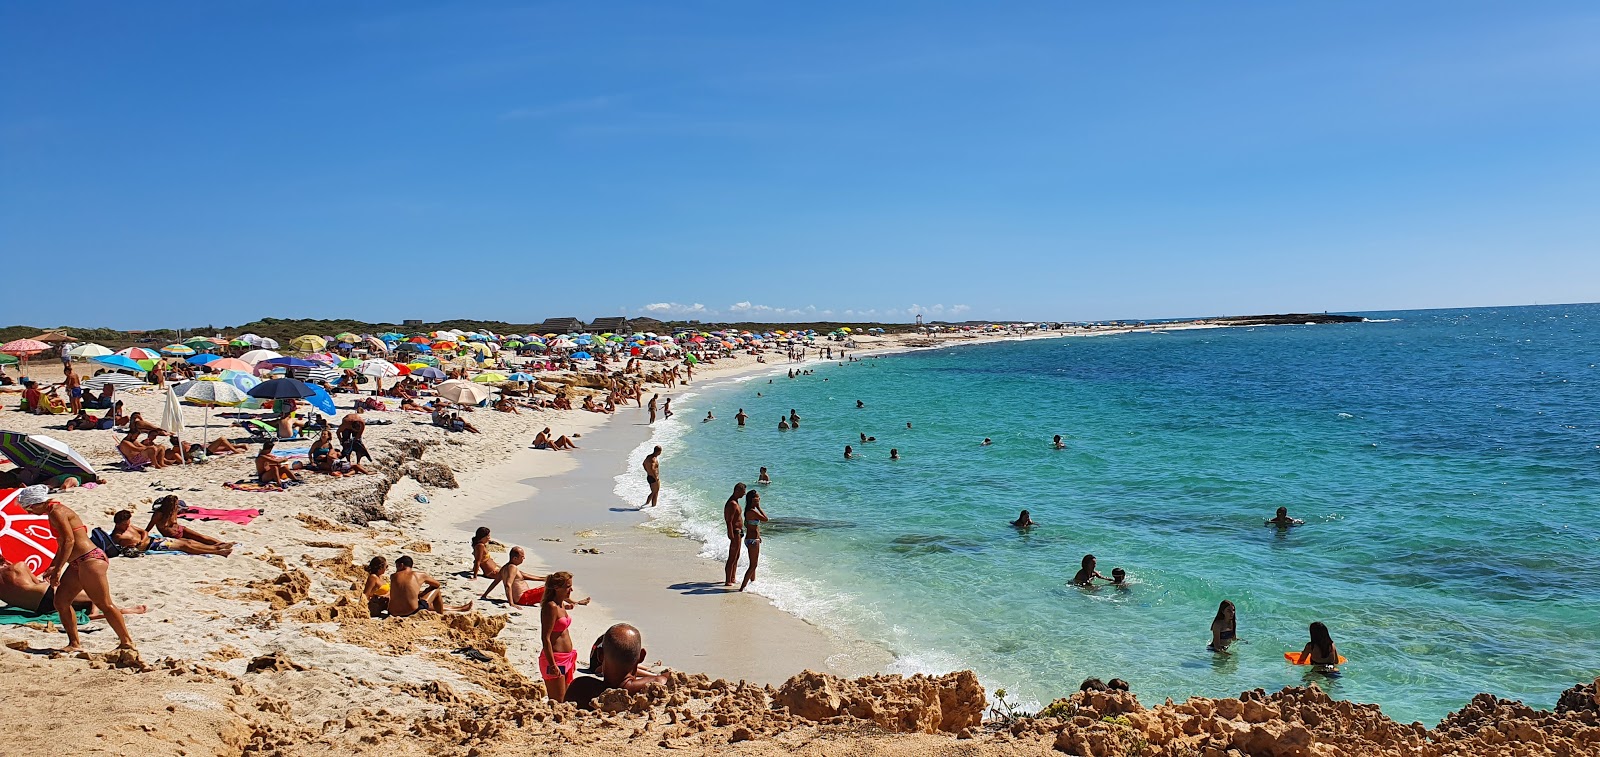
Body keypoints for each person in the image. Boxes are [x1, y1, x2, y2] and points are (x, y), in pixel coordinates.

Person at [18, 486, 135, 651]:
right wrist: (53, 565)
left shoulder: (56, 512)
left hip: (90, 559)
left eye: (28, 509)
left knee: (104, 603)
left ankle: (127, 642)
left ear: (37, 503)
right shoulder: (53, 511)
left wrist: (58, 569)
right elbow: (62, 545)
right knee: (61, 601)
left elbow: (69, 541)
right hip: (78, 562)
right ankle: (74, 643)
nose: (29, 513)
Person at [0, 555, 148, 620]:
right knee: (94, 596)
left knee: (76, 604)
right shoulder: (19, 566)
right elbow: (37, 584)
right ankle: (120, 611)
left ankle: (93, 610)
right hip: (44, 593)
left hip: (38, 608)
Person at [564, 623, 670, 709]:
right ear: (642, 656)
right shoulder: (657, 684)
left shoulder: (580, 688)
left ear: (600, 656)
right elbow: (672, 678)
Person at [112, 510, 233, 556]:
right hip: (152, 546)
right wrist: (136, 545)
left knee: (188, 541)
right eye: (126, 523)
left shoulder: (130, 527)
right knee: (184, 546)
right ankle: (218, 552)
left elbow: (143, 531)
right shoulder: (118, 536)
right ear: (119, 523)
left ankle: (215, 546)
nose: (128, 524)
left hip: (154, 541)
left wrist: (143, 539)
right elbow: (119, 548)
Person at [540, 571, 581, 701]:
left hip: (567, 658)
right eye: (568, 587)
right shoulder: (550, 607)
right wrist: (552, 664)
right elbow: (545, 638)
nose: (571, 589)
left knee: (567, 698)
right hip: (555, 660)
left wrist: (574, 604)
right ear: (557, 588)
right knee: (558, 701)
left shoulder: (561, 604)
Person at [388, 555, 472, 616]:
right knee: (436, 591)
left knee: (420, 601)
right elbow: (437, 584)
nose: (396, 570)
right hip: (411, 612)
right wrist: (427, 591)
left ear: (401, 565)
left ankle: (457, 608)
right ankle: (441, 615)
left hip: (393, 612)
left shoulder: (393, 576)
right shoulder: (420, 575)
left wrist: (422, 593)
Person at [147, 496, 231, 548]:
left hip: (181, 529)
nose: (177, 506)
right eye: (175, 504)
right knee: (194, 543)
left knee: (202, 537)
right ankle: (217, 547)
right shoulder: (158, 514)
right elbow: (148, 528)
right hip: (172, 535)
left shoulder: (174, 510)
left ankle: (222, 544)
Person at [739, 490, 769, 592]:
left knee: (753, 564)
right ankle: (742, 587)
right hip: (752, 540)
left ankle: (753, 583)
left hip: (750, 539)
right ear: (753, 499)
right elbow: (765, 519)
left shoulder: (748, 510)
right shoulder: (752, 511)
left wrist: (759, 536)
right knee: (753, 565)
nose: (759, 499)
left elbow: (753, 526)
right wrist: (759, 507)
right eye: (757, 497)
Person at [723, 483, 747, 586]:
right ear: (737, 490)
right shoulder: (732, 503)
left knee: (737, 556)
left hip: (739, 531)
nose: (744, 494)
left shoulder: (736, 501)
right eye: (743, 491)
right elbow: (729, 520)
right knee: (732, 556)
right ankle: (728, 580)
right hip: (735, 531)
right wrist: (730, 533)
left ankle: (733, 577)